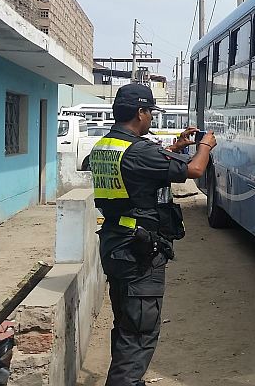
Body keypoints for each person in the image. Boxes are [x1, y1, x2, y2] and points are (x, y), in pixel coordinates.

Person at [91, 83, 217, 385]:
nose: (151, 118)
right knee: (140, 333)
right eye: (150, 112)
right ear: (140, 112)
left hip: (115, 243)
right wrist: (205, 146)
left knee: (127, 325)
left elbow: (139, 169)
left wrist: (175, 148)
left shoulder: (106, 146)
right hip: (138, 251)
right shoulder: (139, 150)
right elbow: (195, 171)